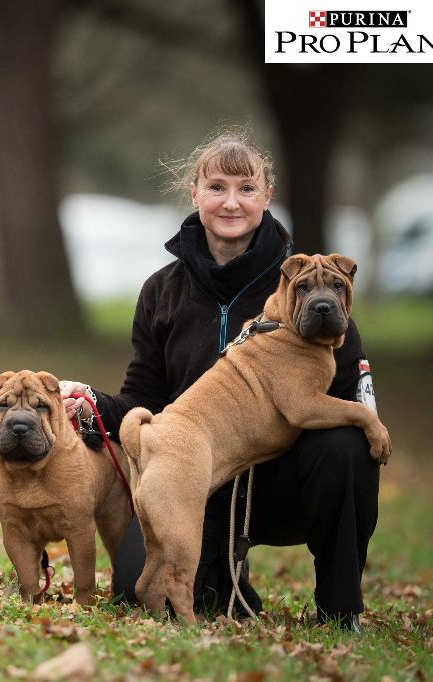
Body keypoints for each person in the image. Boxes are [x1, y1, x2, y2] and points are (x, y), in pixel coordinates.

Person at [60, 129, 379, 631]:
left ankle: (340, 610)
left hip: (284, 483)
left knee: (348, 446)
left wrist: (360, 420)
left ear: (267, 196)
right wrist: (90, 400)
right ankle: (221, 577)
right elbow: (146, 396)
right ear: (195, 194)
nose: (232, 202)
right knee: (135, 590)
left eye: (246, 189)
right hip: (197, 476)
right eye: (217, 187)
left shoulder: (312, 290)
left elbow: (347, 397)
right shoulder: (161, 290)